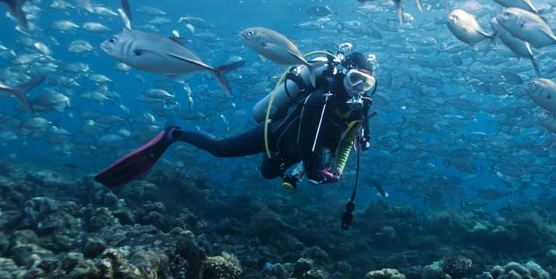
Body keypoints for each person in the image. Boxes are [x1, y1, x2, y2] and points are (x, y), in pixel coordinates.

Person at [93, 44, 376, 191]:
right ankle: (173, 134)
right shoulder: (320, 97)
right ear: (342, 75)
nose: (358, 89)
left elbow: (348, 141)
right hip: (278, 135)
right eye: (354, 80)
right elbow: (306, 139)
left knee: (267, 173)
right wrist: (313, 170)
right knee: (221, 149)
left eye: (365, 84)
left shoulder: (359, 106)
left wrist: (337, 170)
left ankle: (290, 167)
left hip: (300, 152)